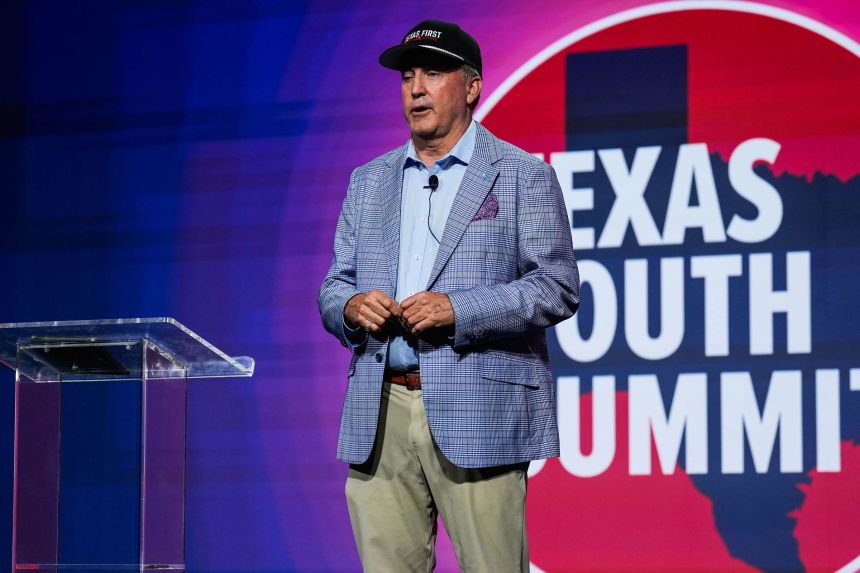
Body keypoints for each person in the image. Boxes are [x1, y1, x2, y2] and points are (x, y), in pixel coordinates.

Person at [318, 19, 579, 572]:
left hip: (479, 413)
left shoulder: (520, 174)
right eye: (408, 76)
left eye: (433, 73)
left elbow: (556, 287)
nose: (415, 88)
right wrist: (347, 306)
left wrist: (461, 309)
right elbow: (334, 283)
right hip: (380, 412)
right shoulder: (369, 181)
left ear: (472, 85)